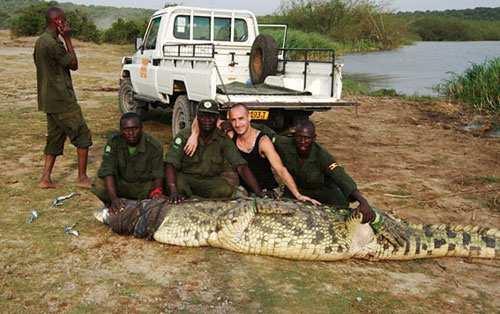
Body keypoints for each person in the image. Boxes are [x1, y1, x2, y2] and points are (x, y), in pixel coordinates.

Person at [186, 103, 320, 205]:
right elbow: (202, 119)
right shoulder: (230, 133)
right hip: (244, 191)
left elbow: (280, 169)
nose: (238, 124)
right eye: (233, 120)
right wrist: (194, 134)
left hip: (267, 191)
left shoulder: (263, 141)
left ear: (249, 117)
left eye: (241, 119)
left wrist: (297, 195)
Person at [34, 7, 92, 189]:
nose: (67, 23)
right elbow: (73, 64)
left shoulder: (40, 41)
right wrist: (67, 38)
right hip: (62, 99)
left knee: (55, 138)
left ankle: (45, 178)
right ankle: (82, 178)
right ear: (58, 21)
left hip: (48, 100)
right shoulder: (53, 43)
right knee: (82, 136)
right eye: (64, 20)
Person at [274, 120, 375, 223]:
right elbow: (265, 133)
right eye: (299, 137)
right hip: (297, 189)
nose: (302, 141)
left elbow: (341, 177)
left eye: (307, 138)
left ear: (314, 138)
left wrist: (363, 201)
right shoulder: (284, 143)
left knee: (338, 216)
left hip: (322, 190)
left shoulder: (321, 155)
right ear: (293, 136)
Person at [165, 100, 263, 203]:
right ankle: (187, 198)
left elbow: (241, 166)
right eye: (203, 116)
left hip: (209, 181)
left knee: (225, 189)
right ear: (197, 117)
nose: (207, 120)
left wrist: (258, 192)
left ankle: (197, 200)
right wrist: (173, 190)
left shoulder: (222, 139)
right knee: (179, 184)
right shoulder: (184, 136)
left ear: (217, 119)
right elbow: (170, 163)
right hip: (187, 178)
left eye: (211, 117)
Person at [92, 113, 165, 214]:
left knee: (165, 187)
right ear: (121, 130)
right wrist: (113, 198)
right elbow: (108, 170)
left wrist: (157, 193)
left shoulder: (154, 145)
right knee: (99, 184)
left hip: (143, 187)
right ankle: (112, 204)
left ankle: (143, 204)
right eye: (126, 129)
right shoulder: (113, 143)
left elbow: (158, 173)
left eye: (135, 128)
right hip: (122, 185)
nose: (131, 133)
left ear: (141, 128)